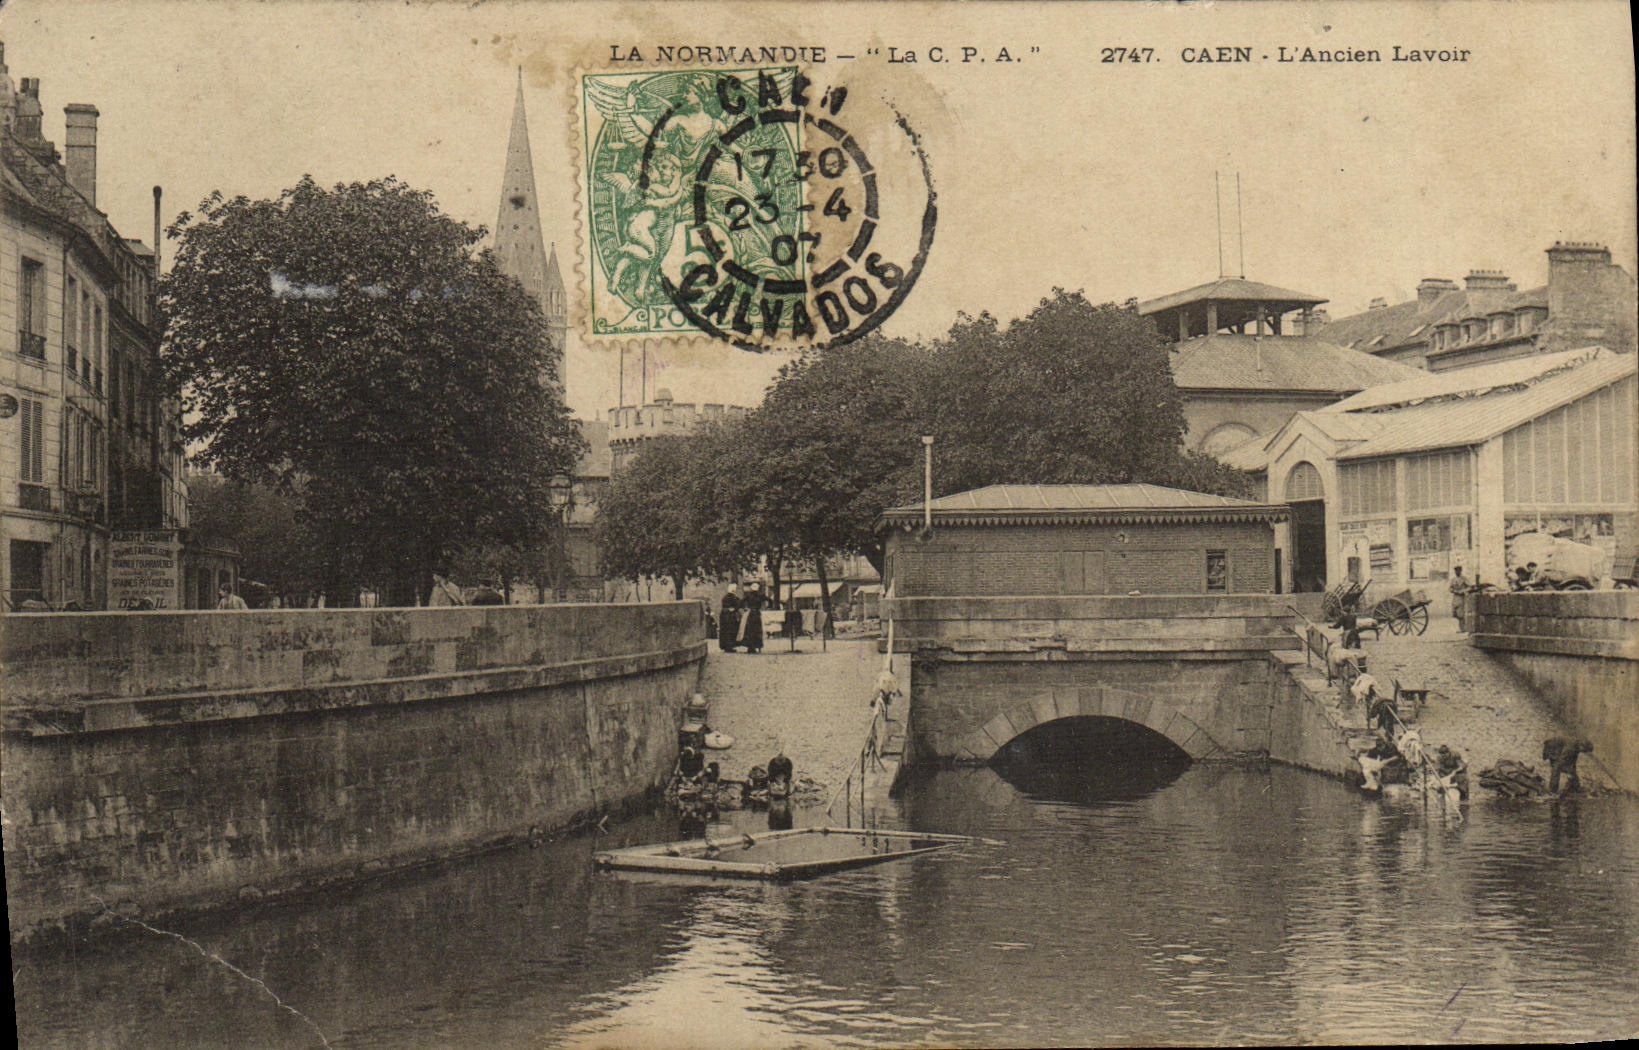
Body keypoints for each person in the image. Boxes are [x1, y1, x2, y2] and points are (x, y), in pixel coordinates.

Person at [739, 583, 765, 654]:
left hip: (750, 614)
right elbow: (769, 600)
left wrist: (745, 608)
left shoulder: (748, 595)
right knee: (757, 630)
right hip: (757, 614)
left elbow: (741, 602)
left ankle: (750, 647)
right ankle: (756, 646)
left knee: (749, 630)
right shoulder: (760, 596)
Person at [718, 586, 742, 652]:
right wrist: (735, 609)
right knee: (731, 631)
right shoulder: (733, 598)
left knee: (725, 631)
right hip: (730, 616)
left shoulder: (725, 597)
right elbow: (739, 604)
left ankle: (725, 646)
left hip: (724, 615)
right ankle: (729, 647)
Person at [1449, 567, 1470, 632]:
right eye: (1455, 571)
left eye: (1458, 571)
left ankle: (1463, 628)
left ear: (1460, 571)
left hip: (1461, 597)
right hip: (1455, 597)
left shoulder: (1464, 579)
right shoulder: (1453, 579)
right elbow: (1450, 588)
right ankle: (1462, 628)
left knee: (1461, 614)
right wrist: (1453, 590)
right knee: (1456, 613)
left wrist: (1463, 591)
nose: (1457, 572)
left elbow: (1469, 587)